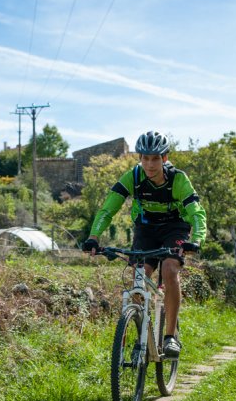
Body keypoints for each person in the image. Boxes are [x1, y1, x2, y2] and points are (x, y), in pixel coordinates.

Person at [83, 130, 207, 358]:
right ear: (140, 158)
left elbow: (197, 212)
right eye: (145, 158)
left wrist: (197, 239)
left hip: (175, 227)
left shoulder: (178, 179)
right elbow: (108, 208)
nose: (150, 164)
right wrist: (94, 237)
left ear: (164, 159)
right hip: (146, 229)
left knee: (170, 270)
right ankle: (142, 334)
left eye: (155, 158)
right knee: (139, 276)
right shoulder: (134, 177)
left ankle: (170, 337)